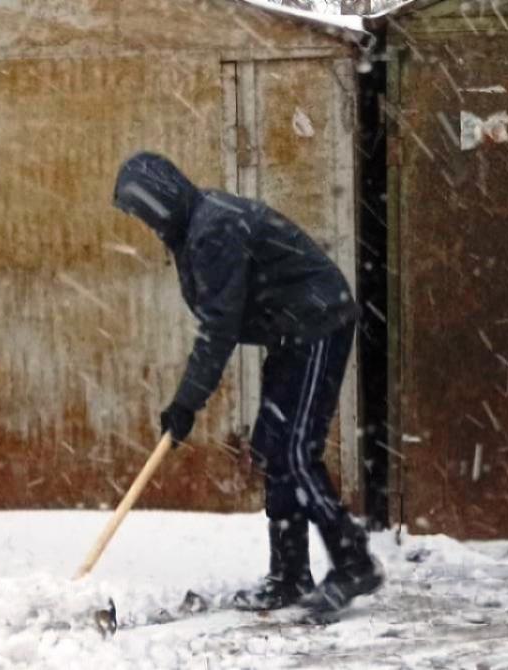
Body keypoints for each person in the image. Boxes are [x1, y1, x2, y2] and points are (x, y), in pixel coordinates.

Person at [113, 151, 383, 614]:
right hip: (290, 333)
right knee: (273, 447)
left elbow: (219, 327)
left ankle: (355, 562)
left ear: (161, 200)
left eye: (144, 212)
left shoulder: (213, 227)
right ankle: (290, 576)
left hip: (317, 323)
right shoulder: (193, 230)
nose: (147, 223)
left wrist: (186, 404)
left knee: (297, 452)